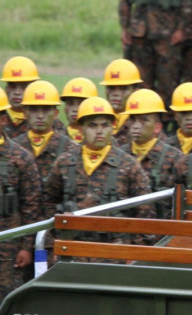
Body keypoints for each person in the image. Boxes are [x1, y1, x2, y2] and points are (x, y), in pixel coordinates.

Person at [43, 97, 154, 235]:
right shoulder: (65, 163)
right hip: (72, 247)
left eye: (105, 125)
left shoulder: (129, 165)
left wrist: (132, 251)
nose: (99, 131)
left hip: (115, 249)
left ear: (112, 128)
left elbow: (145, 212)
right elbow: (47, 202)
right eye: (92, 125)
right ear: (81, 128)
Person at [0, 89, 41, 297]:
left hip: (9, 249)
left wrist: (26, 247)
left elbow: (31, 207)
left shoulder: (20, 157)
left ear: (3, 120)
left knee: (7, 301)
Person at [123, 89, 183, 218]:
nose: (137, 125)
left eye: (144, 120)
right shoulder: (119, 156)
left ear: (157, 127)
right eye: (132, 119)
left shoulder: (175, 158)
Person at [14, 81, 76, 197]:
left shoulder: (71, 149)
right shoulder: (13, 149)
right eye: (34, 109)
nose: (40, 115)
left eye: (46, 109)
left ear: (56, 113)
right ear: (24, 113)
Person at [99, 58, 144, 148]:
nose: (115, 94)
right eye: (111, 88)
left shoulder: (144, 124)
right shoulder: (96, 119)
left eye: (123, 89)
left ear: (135, 91)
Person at [1, 55, 42, 139]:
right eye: (12, 86)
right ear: (6, 89)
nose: (17, 92)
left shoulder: (43, 121)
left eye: (23, 86)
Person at [59, 77, 99, 144]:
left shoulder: (102, 138)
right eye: (70, 103)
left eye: (81, 104)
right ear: (65, 108)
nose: (75, 109)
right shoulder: (58, 137)